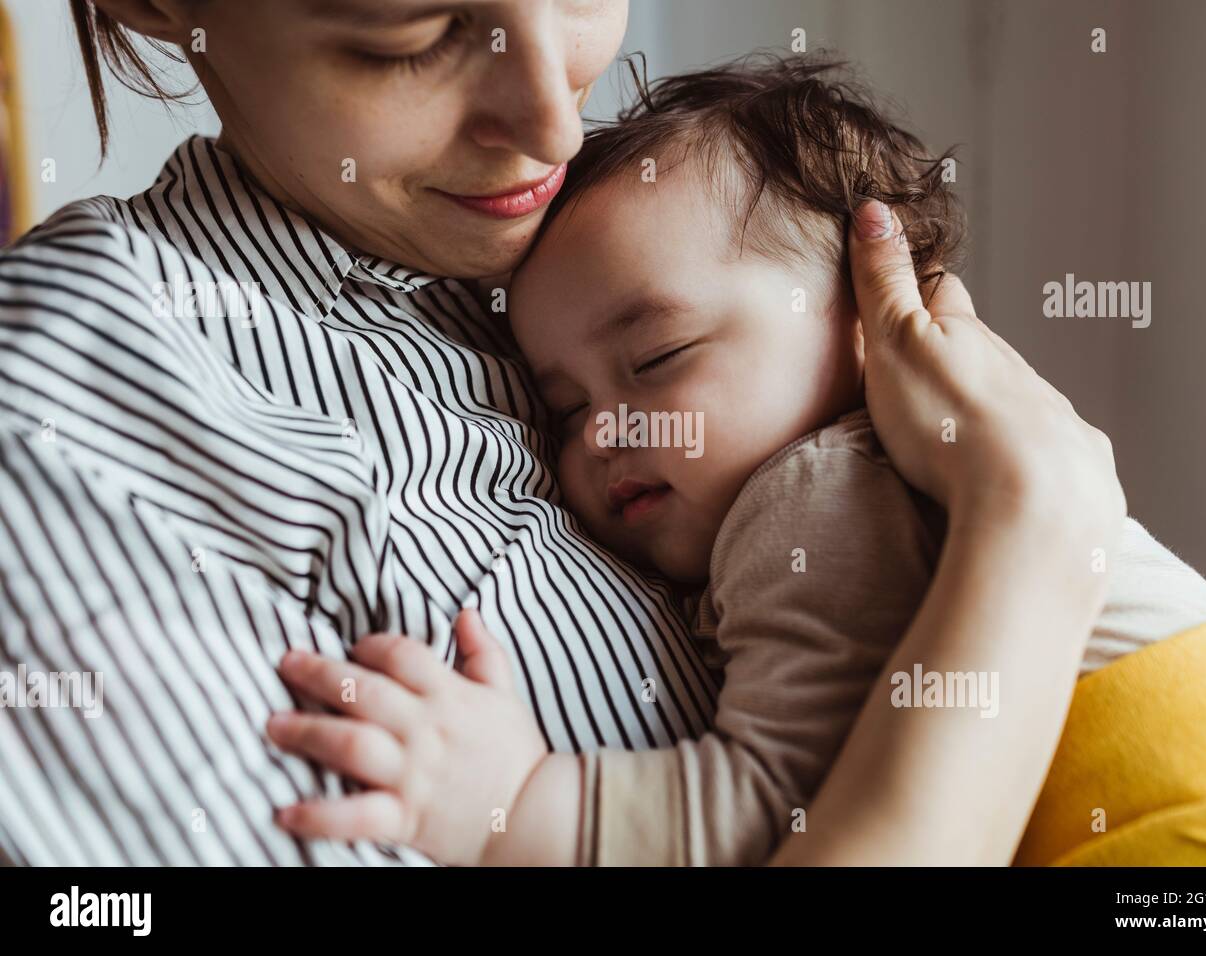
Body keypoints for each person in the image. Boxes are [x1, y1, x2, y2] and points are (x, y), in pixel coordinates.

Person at [0, 0, 1122, 866]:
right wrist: (1036, 524)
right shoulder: (68, 422)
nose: (550, 123)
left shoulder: (653, 253)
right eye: (412, 35)